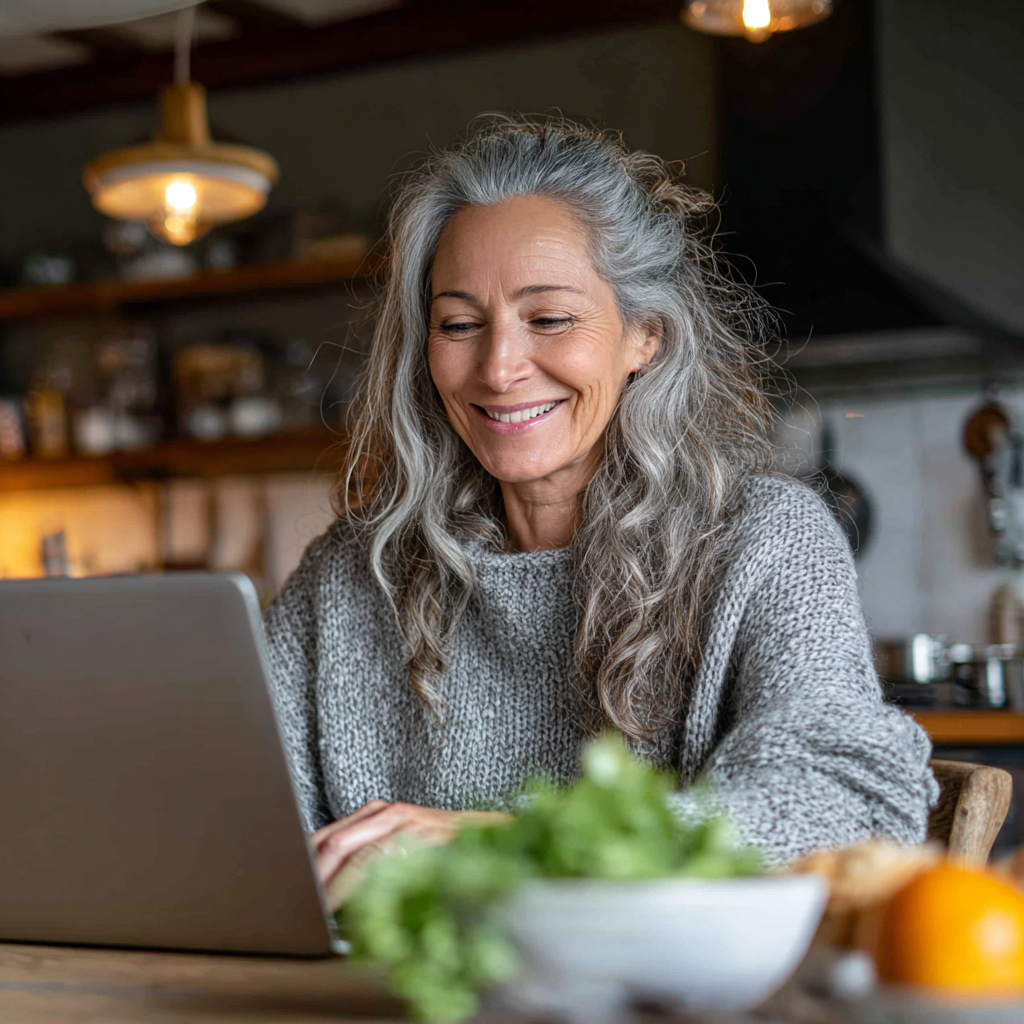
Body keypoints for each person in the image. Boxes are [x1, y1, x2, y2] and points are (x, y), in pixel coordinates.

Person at [264, 115, 937, 907]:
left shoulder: (765, 542)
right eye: (458, 325)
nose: (499, 366)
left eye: (549, 319)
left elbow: (846, 803)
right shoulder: (352, 573)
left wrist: (518, 847)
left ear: (644, 336)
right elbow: (219, 797)